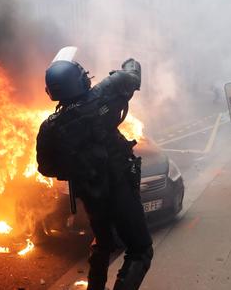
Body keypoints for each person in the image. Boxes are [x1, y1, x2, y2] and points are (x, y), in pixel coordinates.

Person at [36, 56, 153, 290]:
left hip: (91, 192)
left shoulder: (50, 127)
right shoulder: (105, 92)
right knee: (140, 250)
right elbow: (132, 74)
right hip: (120, 184)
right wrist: (129, 62)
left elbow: (45, 167)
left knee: (103, 242)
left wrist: (77, 166)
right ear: (79, 81)